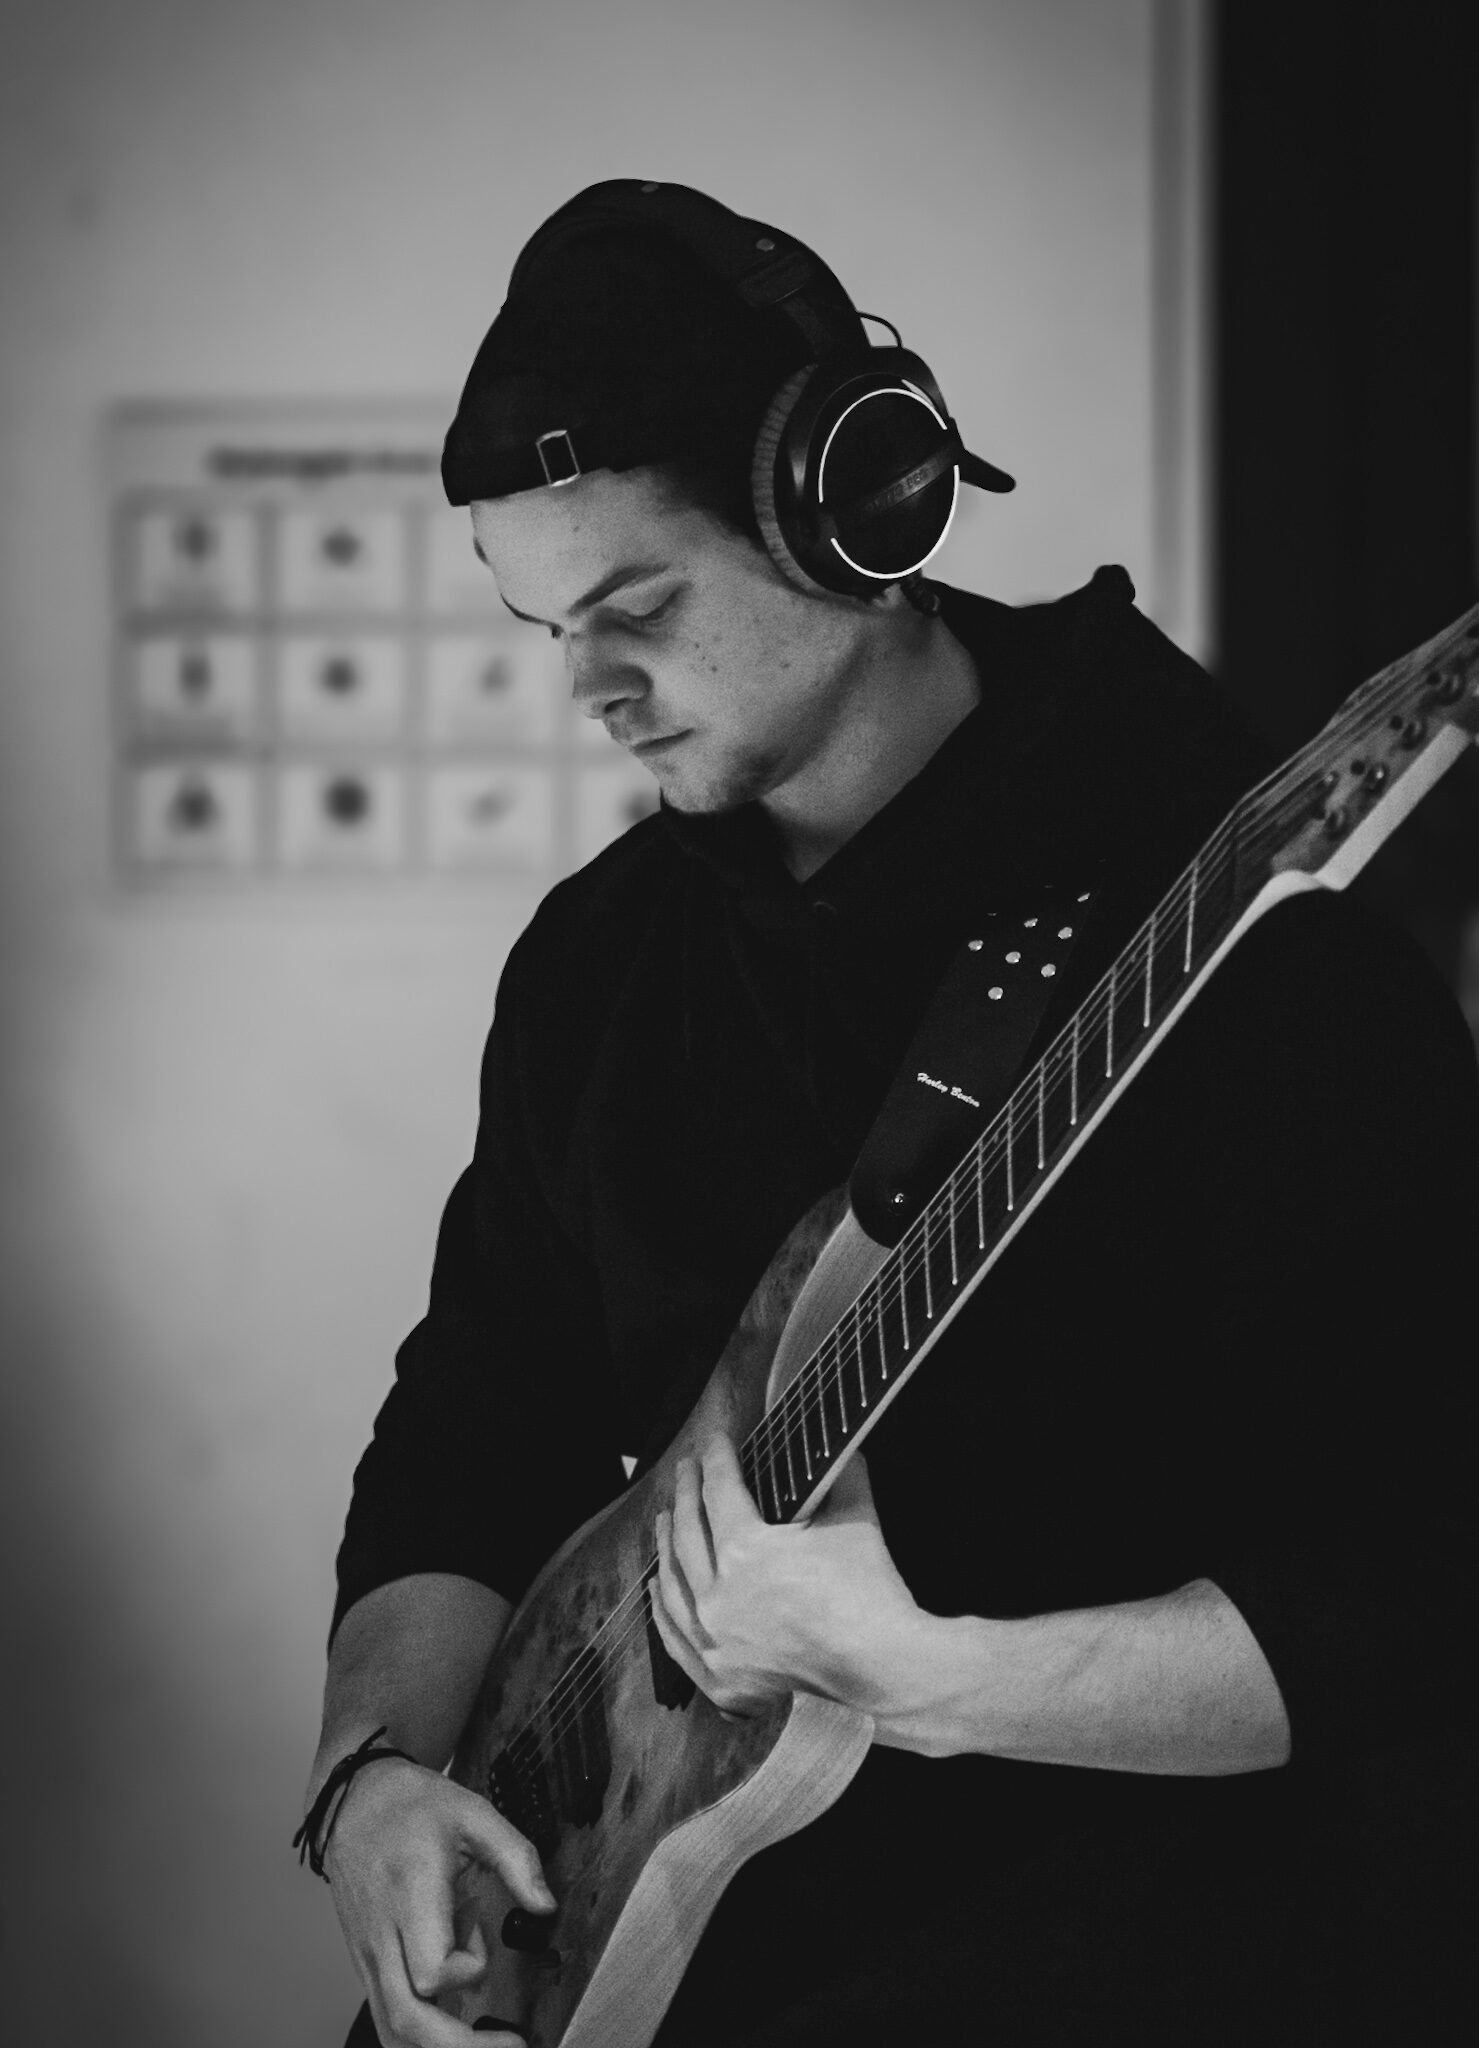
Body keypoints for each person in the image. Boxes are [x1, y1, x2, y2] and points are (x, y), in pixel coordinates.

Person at [300, 180, 1479, 2048]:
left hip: (1154, 1969)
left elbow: (1423, 1584)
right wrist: (369, 1784)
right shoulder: (605, 961)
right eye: (550, 628)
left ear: (855, 513)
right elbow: (472, 1428)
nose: (590, 691)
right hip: (663, 1964)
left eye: (638, 610)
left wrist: (937, 1679)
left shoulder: (1239, 927)